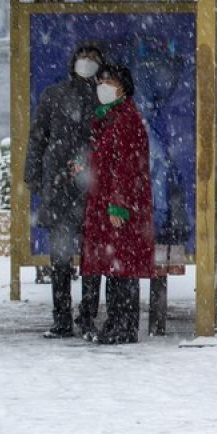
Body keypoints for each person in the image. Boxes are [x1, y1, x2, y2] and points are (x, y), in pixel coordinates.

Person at [26, 40, 106, 339]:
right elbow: (38, 138)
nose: (87, 62)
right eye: (83, 57)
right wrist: (34, 175)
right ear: (73, 62)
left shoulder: (103, 98)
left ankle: (87, 316)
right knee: (60, 259)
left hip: (92, 189)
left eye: (93, 58)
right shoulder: (54, 96)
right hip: (59, 187)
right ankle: (61, 319)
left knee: (91, 257)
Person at [79, 64, 156, 345]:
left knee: (121, 268)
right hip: (108, 203)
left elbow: (126, 166)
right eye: (101, 81)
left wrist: (118, 205)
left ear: (122, 85)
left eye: (109, 81)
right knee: (116, 267)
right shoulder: (112, 118)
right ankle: (116, 324)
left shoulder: (126, 120)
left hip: (119, 207)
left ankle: (123, 327)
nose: (103, 86)